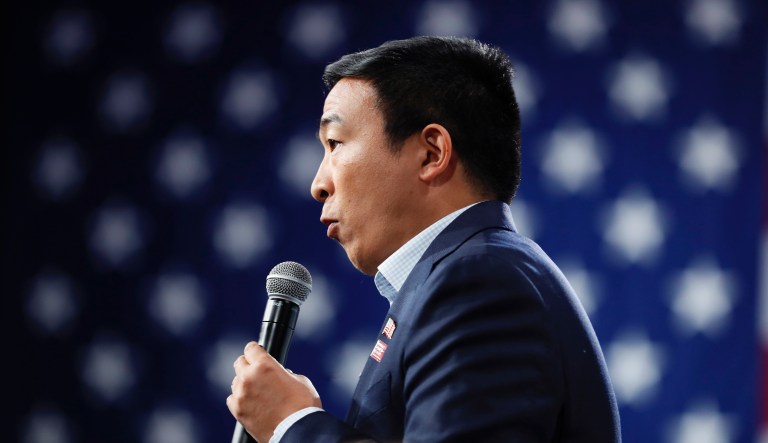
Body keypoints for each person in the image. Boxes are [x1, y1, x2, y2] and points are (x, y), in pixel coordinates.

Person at [227, 36, 621, 443]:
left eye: (335, 144)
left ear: (432, 153)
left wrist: (294, 426)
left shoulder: (477, 282)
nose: (318, 183)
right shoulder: (465, 277)